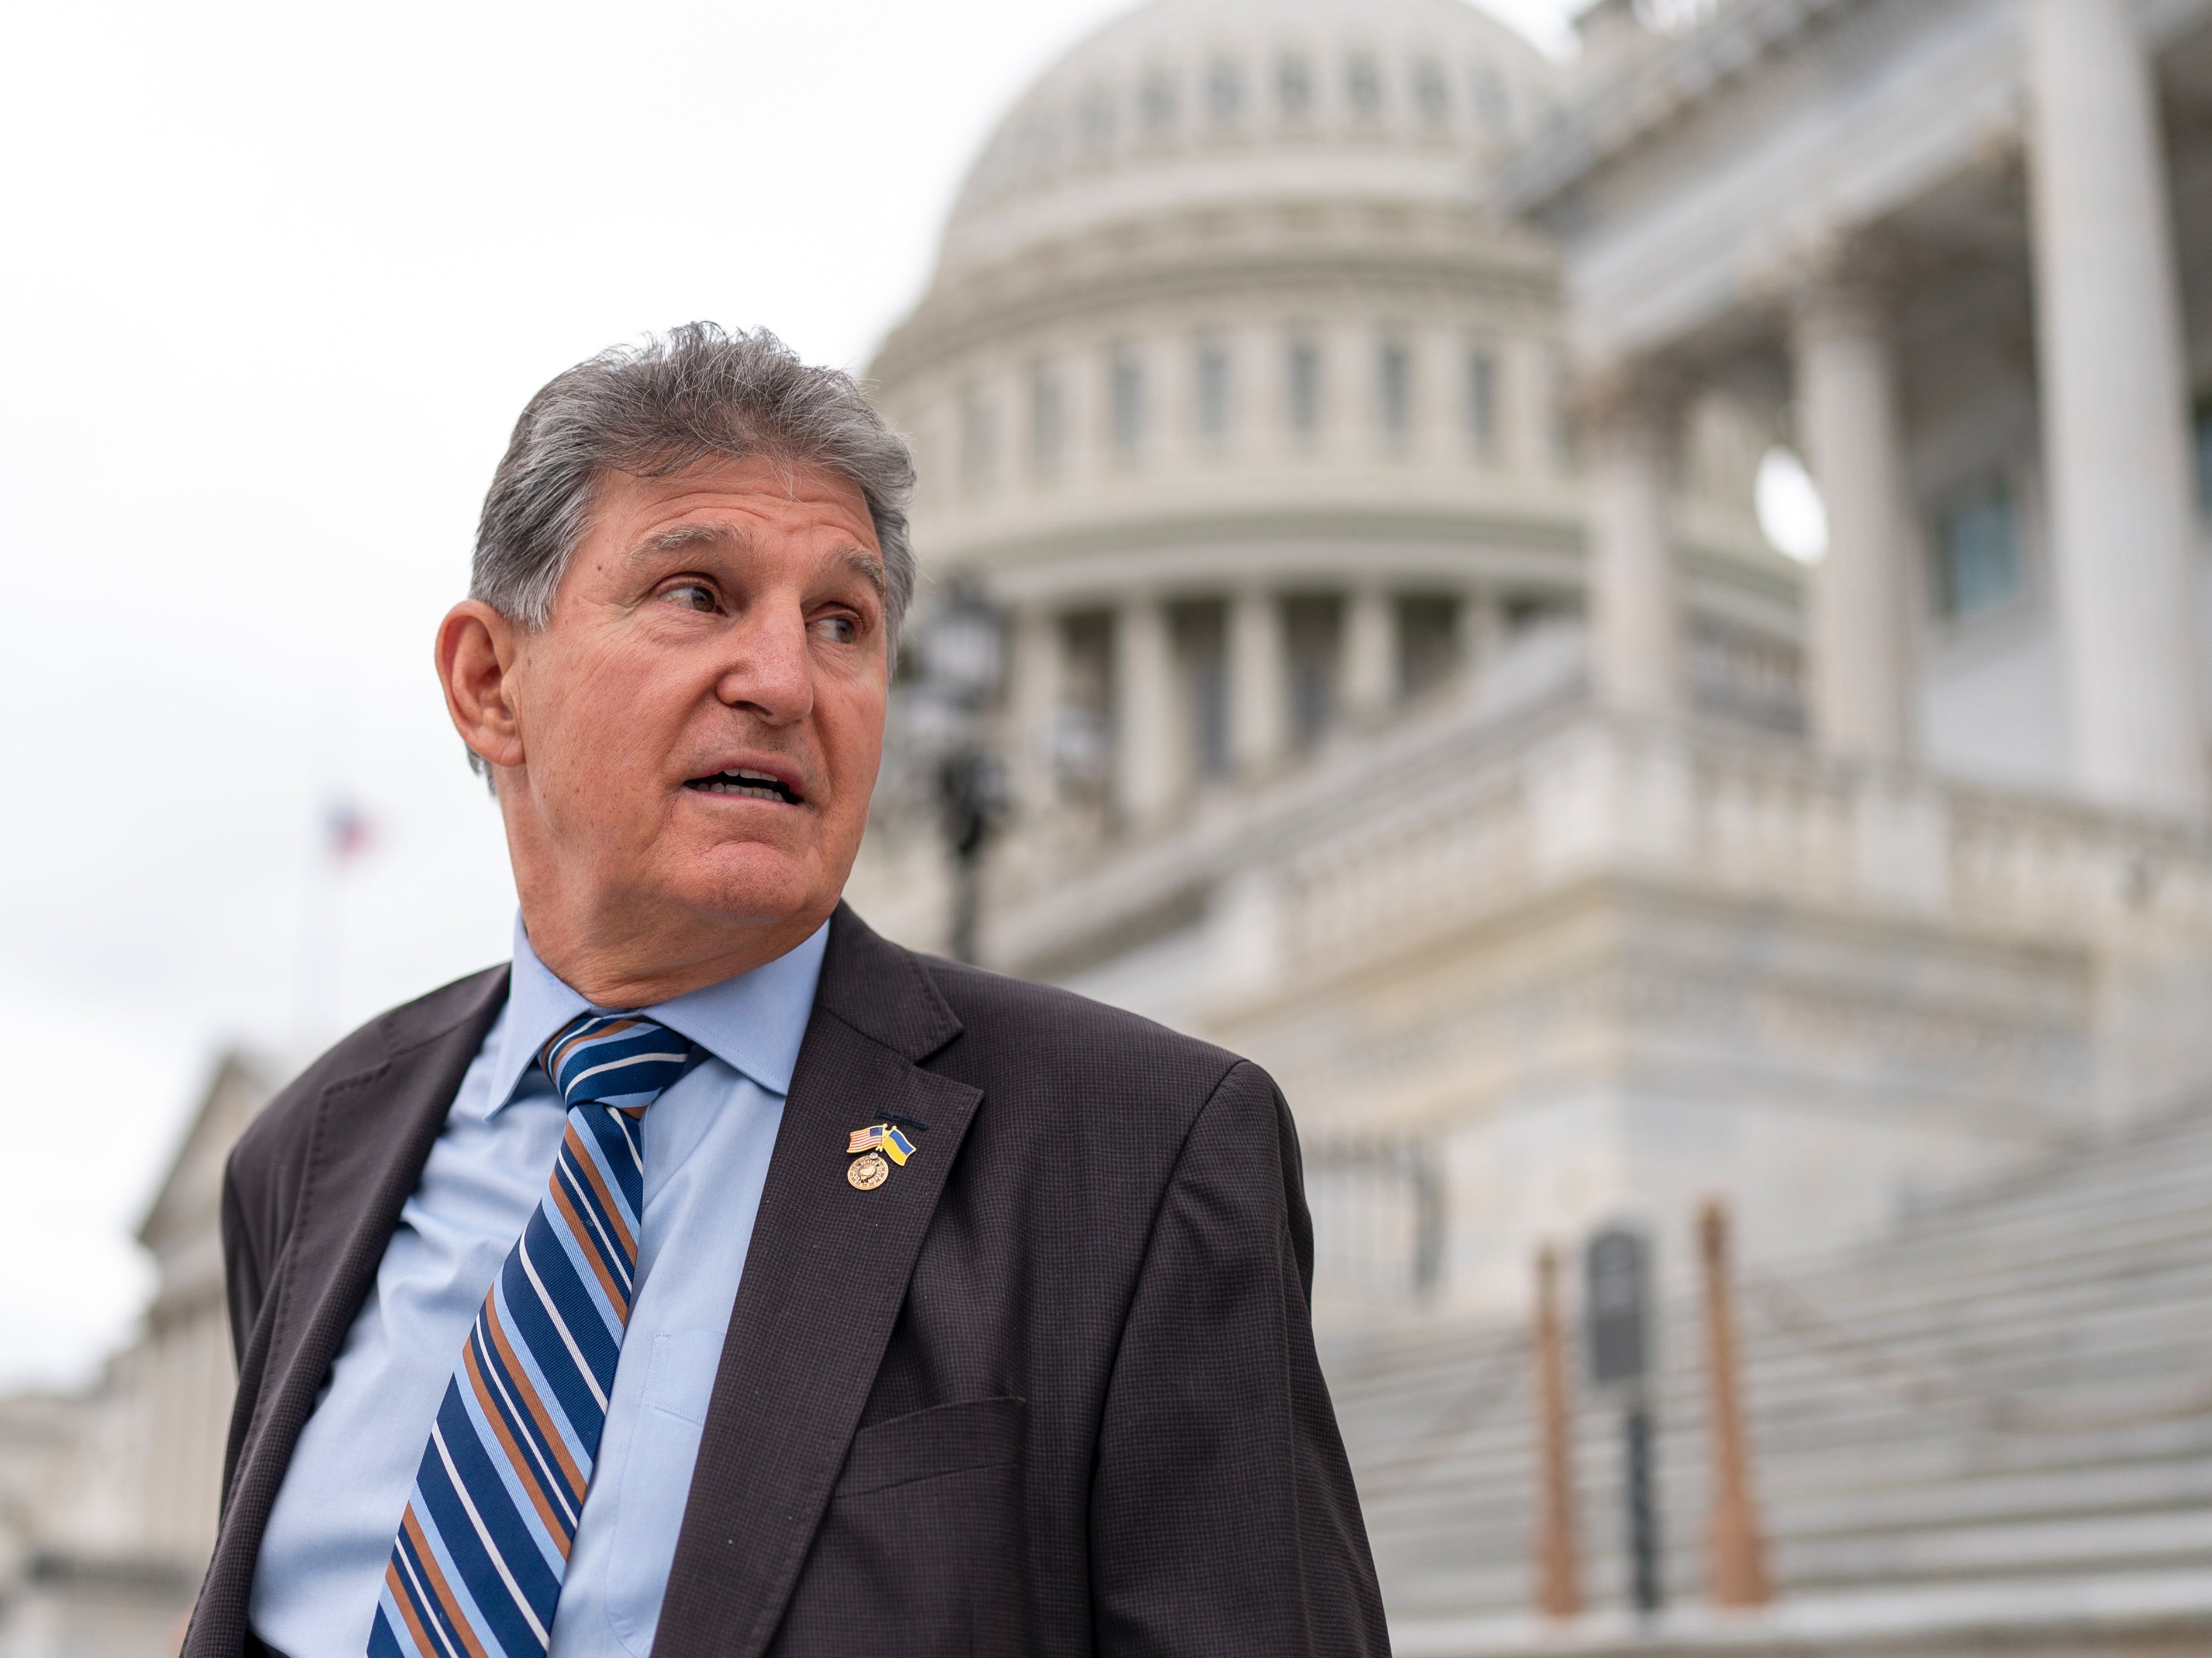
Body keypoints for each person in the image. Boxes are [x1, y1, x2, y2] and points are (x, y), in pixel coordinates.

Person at [182, 324, 1388, 1658]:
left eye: (841, 622)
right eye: (696, 592)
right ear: (488, 681)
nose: (784, 681)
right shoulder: (309, 1153)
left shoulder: (1139, 1154)